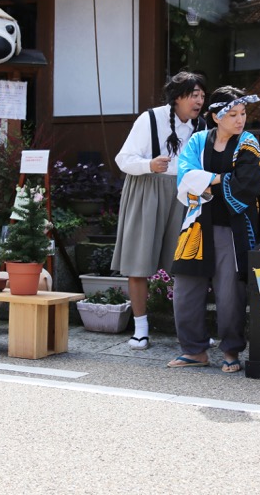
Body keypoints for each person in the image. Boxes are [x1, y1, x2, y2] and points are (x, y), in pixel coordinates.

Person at [168, 87, 260, 372]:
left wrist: (208, 181)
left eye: (243, 113)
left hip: (231, 227)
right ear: (215, 117)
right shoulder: (199, 140)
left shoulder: (247, 142)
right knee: (186, 287)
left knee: (230, 292)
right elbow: (185, 178)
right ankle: (193, 350)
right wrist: (223, 177)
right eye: (233, 114)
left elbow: (249, 180)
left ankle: (231, 351)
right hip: (197, 224)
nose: (240, 120)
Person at [112, 71, 206, 350]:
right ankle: (140, 329)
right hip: (147, 189)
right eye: (194, 95)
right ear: (178, 97)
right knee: (139, 262)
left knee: (185, 264)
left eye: (202, 95)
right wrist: (149, 165)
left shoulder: (200, 125)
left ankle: (188, 331)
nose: (200, 100)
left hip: (184, 193)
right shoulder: (149, 119)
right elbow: (123, 159)